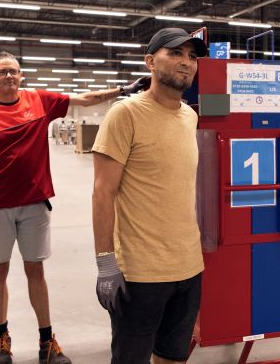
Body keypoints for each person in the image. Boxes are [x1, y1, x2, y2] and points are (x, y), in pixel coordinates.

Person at [0, 51, 149, 364]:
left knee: (36, 270)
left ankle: (47, 341)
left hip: (34, 204)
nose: (9, 76)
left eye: (14, 71)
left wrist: (122, 90)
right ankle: (1, 337)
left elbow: (82, 100)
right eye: (2, 72)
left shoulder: (38, 100)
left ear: (21, 76)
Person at [91, 27, 207, 364]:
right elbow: (102, 192)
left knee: (173, 357)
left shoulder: (190, 116)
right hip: (140, 274)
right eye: (175, 53)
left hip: (188, 267)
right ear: (150, 62)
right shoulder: (125, 114)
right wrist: (105, 263)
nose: (186, 62)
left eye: (192, 56)